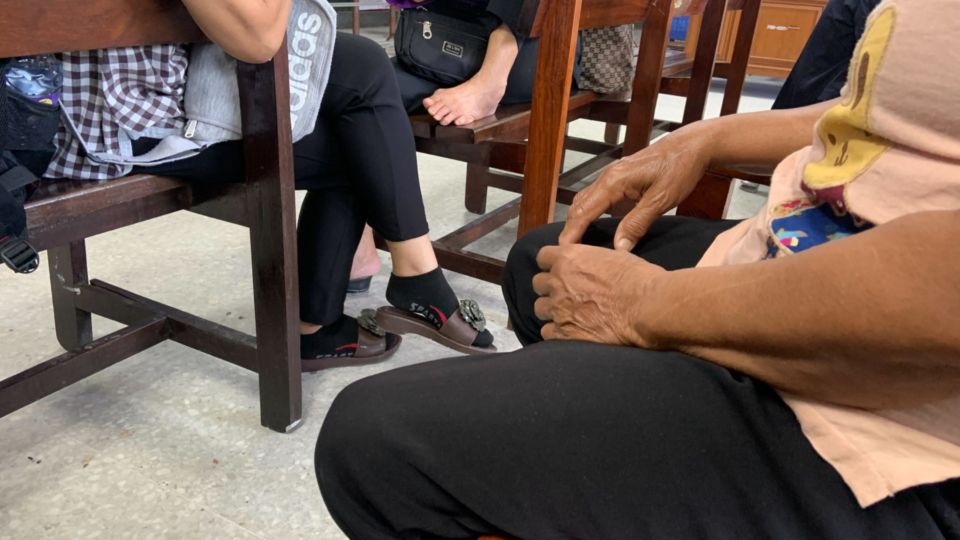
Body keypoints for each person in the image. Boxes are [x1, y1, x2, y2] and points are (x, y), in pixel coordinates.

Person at [315, 0, 960, 537]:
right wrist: (704, 138)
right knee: (537, 261)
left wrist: (647, 306)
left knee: (371, 443)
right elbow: (873, 119)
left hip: (907, 426)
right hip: (816, 244)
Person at [43, 0, 495, 370]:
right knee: (362, 119)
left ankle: (349, 309)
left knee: (363, 112)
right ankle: (383, 293)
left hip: (134, 87)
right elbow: (258, 38)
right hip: (122, 122)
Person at [348, 0, 542, 291]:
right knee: (351, 91)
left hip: (520, 54)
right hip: (434, 44)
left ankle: (494, 69)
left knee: (361, 89)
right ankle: (359, 245)